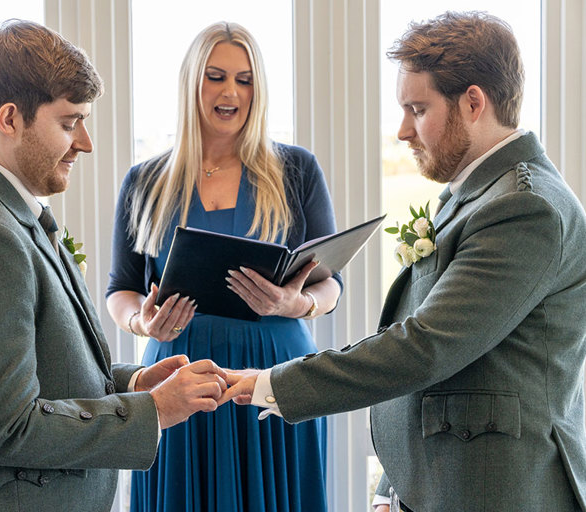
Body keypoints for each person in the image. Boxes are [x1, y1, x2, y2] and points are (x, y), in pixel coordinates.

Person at [221, 11, 586, 512]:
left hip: (498, 490)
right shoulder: (479, 194)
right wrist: (393, 488)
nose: (402, 131)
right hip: (447, 484)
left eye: (417, 109)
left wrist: (273, 382)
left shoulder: (525, 208)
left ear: (473, 102)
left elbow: (427, 347)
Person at [0, 20, 228, 512]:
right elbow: (9, 429)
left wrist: (131, 383)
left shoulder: (4, 208)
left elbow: (42, 368)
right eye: (68, 123)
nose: (85, 142)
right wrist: (154, 411)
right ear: (10, 119)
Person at [106, 21, 342, 512]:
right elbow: (122, 288)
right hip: (177, 379)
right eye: (215, 76)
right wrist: (139, 321)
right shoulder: (144, 181)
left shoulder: (297, 171)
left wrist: (299, 303)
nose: (230, 91)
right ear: (193, 82)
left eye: (245, 78)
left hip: (275, 378)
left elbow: (330, 286)